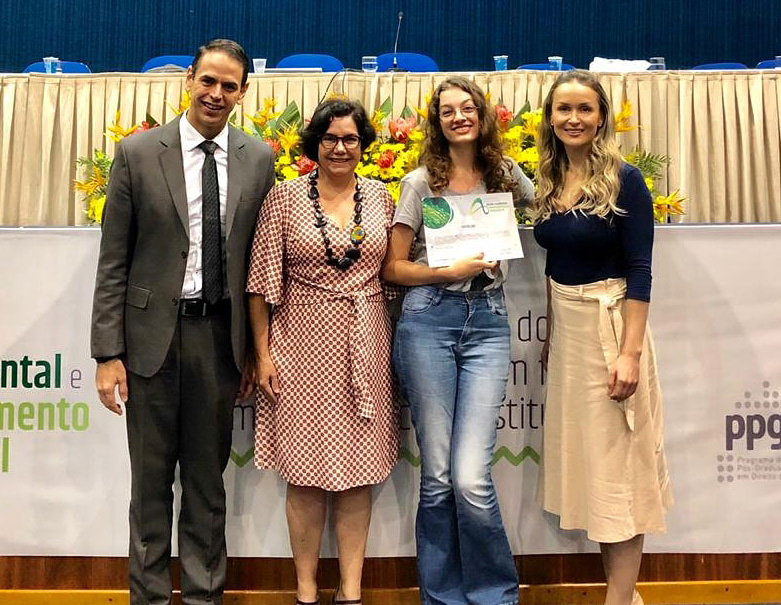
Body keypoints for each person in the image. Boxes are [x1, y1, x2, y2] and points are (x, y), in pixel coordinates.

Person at [91, 39, 275, 605]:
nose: (216, 94)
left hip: (219, 340)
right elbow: (114, 260)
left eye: (229, 86)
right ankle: (148, 597)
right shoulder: (138, 153)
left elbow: (262, 261)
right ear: (188, 81)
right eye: (208, 81)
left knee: (205, 484)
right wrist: (107, 353)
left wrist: (255, 350)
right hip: (150, 342)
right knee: (150, 486)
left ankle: (202, 596)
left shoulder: (258, 158)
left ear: (243, 93)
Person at [382, 76, 534, 605]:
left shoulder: (506, 174)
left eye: (467, 107)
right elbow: (393, 268)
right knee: (439, 475)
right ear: (437, 122)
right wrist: (444, 272)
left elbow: (549, 210)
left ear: (482, 115)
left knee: (471, 479)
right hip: (429, 320)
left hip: (488, 322)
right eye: (447, 111)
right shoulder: (420, 183)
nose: (458, 117)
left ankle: (495, 595)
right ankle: (442, 597)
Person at [247, 98, 399, 605]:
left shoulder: (381, 198)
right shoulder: (285, 197)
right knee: (305, 475)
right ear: (315, 143)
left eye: (350, 138)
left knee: (359, 473)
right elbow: (260, 284)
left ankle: (351, 590)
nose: (339, 148)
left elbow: (393, 272)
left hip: (366, 342)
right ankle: (306, 590)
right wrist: (263, 355)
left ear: (363, 145)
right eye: (330, 138)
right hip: (299, 343)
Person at [531, 70, 674, 605]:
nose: (574, 118)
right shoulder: (549, 178)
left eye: (584, 109)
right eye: (564, 109)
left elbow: (641, 271)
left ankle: (620, 599)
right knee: (594, 473)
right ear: (550, 118)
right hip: (569, 335)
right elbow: (554, 263)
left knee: (620, 475)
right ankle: (624, 596)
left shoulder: (625, 180)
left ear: (601, 118)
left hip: (612, 330)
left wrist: (630, 354)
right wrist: (550, 334)